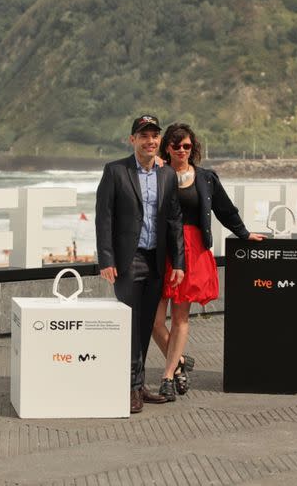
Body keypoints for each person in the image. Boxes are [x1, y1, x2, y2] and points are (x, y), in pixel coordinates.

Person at [151, 123, 266, 401]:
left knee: (180, 317)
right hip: (162, 250)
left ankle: (168, 376)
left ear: (194, 148)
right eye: (176, 145)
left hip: (194, 251)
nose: (181, 150)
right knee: (153, 320)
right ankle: (179, 362)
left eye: (186, 146)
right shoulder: (157, 175)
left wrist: (244, 232)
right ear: (167, 147)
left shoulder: (206, 178)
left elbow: (225, 209)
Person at [96, 114, 185, 414]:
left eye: (154, 136)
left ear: (159, 141)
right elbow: (104, 217)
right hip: (127, 260)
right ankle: (132, 387)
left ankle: (138, 384)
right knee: (131, 324)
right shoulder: (115, 171)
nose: (150, 141)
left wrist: (179, 262)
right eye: (143, 136)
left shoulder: (167, 175)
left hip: (156, 259)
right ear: (132, 140)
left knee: (146, 324)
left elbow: (174, 220)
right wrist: (106, 259)